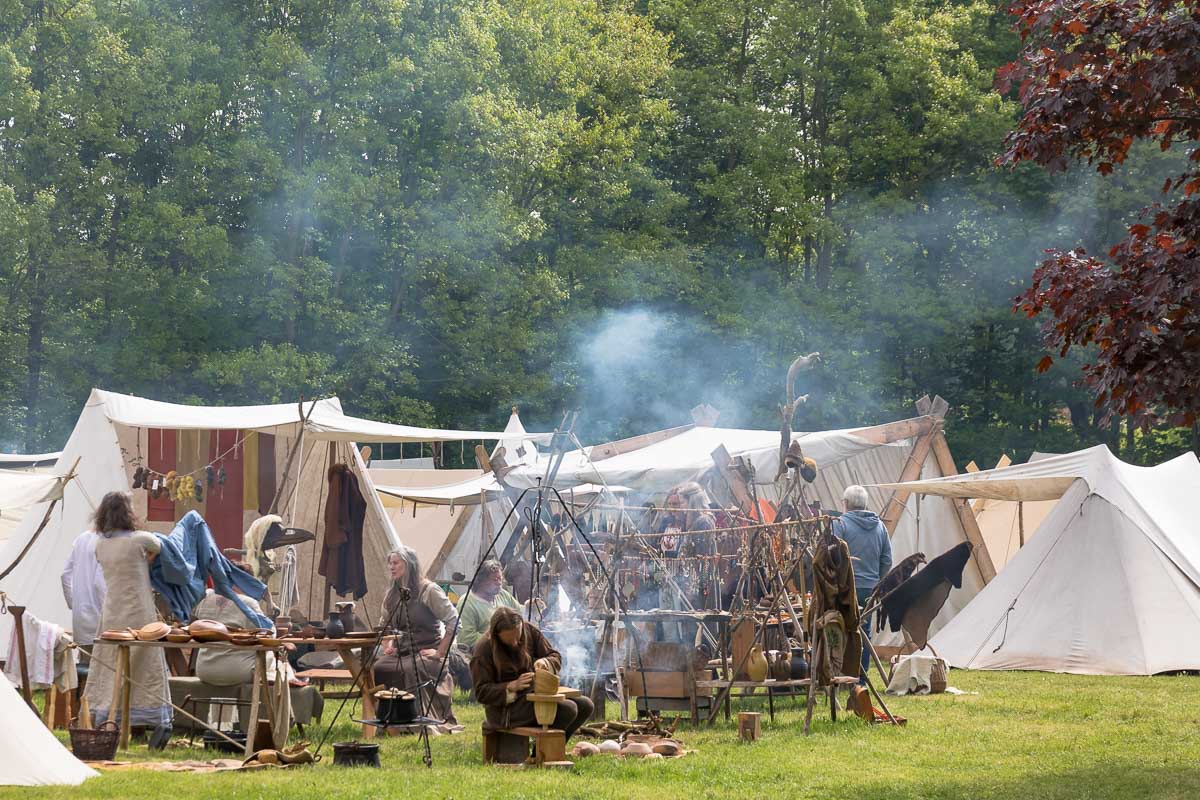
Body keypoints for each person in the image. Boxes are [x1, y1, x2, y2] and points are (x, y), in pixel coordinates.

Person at [81, 492, 173, 748]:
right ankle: (150, 723)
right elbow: (160, 545)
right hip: (138, 612)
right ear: (127, 513)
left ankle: (110, 718)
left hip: (112, 612)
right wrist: (149, 558)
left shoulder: (99, 544)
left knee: (111, 667)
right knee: (145, 666)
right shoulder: (138, 540)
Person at [470, 607, 593, 738]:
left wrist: (546, 662)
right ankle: (539, 755)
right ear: (496, 635)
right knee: (568, 709)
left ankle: (554, 750)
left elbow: (554, 655)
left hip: (533, 696)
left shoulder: (529, 630)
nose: (515, 643)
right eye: (509, 641)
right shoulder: (483, 649)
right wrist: (511, 686)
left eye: (518, 638)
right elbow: (481, 692)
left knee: (585, 705)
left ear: (521, 626)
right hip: (507, 710)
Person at [373, 546, 461, 730]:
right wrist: (388, 645)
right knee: (379, 667)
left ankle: (417, 721)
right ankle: (389, 719)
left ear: (409, 564)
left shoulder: (429, 591)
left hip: (427, 651)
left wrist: (439, 652)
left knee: (412, 669)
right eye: (390, 563)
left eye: (395, 563)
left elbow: (454, 621)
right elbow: (384, 626)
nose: (391, 567)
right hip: (402, 651)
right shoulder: (391, 595)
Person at [832, 485, 892, 683]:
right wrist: (877, 581)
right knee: (862, 634)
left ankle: (838, 678)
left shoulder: (840, 524)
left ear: (846, 504)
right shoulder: (880, 526)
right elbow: (887, 561)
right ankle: (861, 682)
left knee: (837, 630)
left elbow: (831, 557)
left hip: (844, 588)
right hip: (869, 589)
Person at [61, 529, 106, 660]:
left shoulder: (81, 538)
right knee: (103, 670)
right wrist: (109, 614)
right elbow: (100, 583)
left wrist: (74, 605)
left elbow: (65, 575)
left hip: (81, 618)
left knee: (86, 666)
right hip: (100, 618)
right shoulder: (106, 541)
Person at [456, 560, 521, 652]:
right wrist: (499, 639)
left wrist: (530, 606)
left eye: (500, 579)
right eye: (495, 580)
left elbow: (519, 612)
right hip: (484, 653)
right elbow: (466, 639)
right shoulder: (467, 603)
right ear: (481, 582)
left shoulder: (502, 594)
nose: (499, 583)